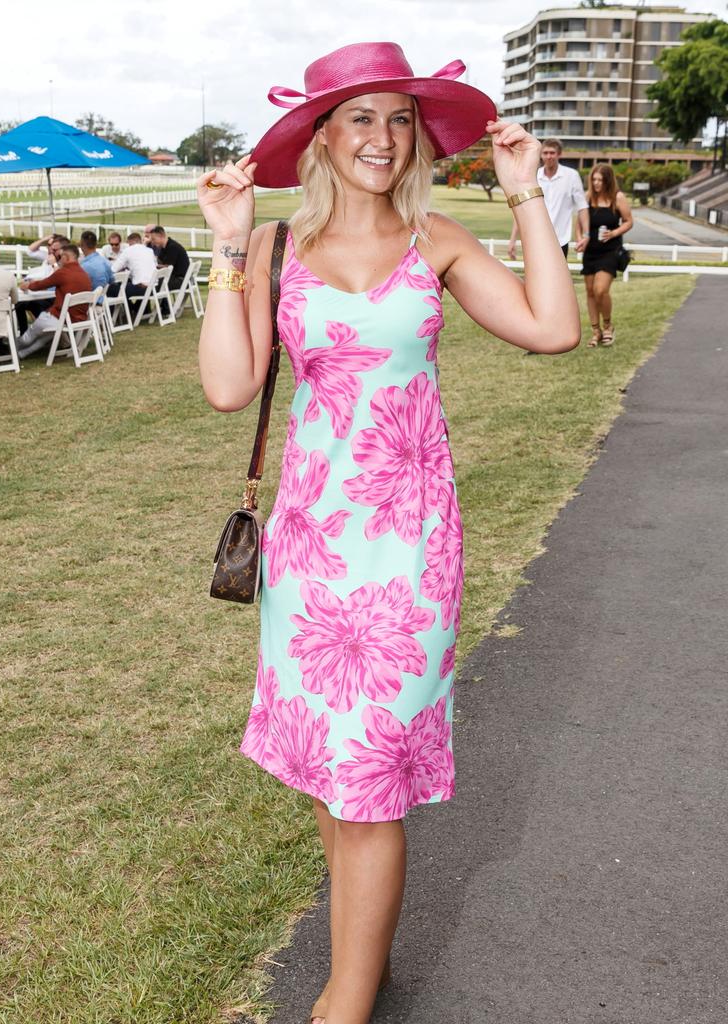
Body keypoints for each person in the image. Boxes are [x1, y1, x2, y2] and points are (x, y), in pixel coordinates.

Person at [197, 41, 580, 1024]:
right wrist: (227, 244)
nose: (382, 136)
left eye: (399, 117)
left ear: (417, 137)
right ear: (322, 135)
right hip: (310, 554)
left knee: (368, 783)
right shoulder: (279, 248)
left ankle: (345, 1003)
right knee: (337, 778)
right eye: (360, 117)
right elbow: (228, 386)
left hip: (409, 551)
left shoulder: (437, 241)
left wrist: (526, 193)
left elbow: (552, 327)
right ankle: (357, 967)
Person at [507, 138, 588, 260]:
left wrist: (586, 234)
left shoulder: (571, 176)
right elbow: (523, 208)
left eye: (552, 153)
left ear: (559, 154)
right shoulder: (533, 176)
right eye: (545, 153)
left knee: (558, 278)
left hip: (560, 240)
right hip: (535, 240)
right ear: (540, 155)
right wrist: (513, 239)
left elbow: (582, 207)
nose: (549, 156)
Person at [580, 163, 633, 347]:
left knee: (600, 290)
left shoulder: (617, 198)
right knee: (589, 292)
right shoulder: (587, 198)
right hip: (591, 251)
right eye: (594, 179)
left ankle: (608, 326)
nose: (596, 183)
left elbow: (628, 221)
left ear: (608, 181)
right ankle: (596, 332)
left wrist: (614, 233)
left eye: (600, 180)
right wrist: (580, 239)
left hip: (610, 251)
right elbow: (579, 221)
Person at [17, 244, 93, 358]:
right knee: (43, 338)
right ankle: (21, 354)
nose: (59, 258)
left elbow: (41, 284)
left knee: (27, 338)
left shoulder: (63, 272)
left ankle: (11, 350)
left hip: (59, 318)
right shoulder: (85, 275)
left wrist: (27, 285)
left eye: (61, 256)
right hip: (77, 318)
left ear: (66, 257)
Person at [16, 234, 69, 334]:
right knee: (20, 304)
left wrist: (54, 264)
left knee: (29, 305)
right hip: (42, 292)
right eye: (49, 247)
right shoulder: (48, 258)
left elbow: (59, 278)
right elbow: (30, 251)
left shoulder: (62, 263)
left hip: (53, 296)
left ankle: (47, 330)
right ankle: (25, 333)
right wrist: (45, 239)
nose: (50, 250)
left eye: (54, 249)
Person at [107, 232, 157, 299]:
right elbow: (155, 265)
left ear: (130, 242)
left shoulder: (128, 250)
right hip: (154, 288)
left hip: (142, 288)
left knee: (111, 288)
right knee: (127, 285)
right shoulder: (150, 250)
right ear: (140, 241)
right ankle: (135, 309)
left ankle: (127, 309)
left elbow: (113, 269)